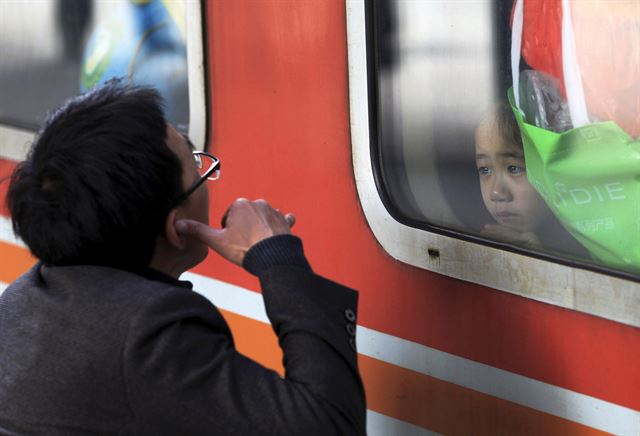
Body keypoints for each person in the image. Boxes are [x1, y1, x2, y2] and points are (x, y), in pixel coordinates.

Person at [0, 81, 366, 435]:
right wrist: (278, 258)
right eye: (197, 167)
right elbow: (328, 425)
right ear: (177, 227)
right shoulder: (149, 334)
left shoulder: (19, 300)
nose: (204, 175)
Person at [474, 101, 584, 255]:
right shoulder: (475, 239)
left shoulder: (584, 245)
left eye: (514, 169)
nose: (496, 193)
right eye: (485, 170)